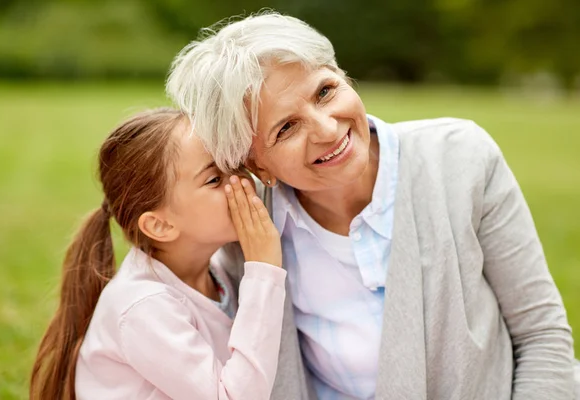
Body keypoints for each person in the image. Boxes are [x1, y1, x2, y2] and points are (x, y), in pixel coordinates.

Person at [166, 12, 579, 400]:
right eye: (287, 127)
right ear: (257, 165)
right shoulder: (248, 228)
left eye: (326, 91)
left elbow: (542, 337)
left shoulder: (461, 159)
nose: (328, 129)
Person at [30, 108, 287, 400]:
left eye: (233, 163)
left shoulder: (213, 270)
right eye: (214, 179)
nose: (241, 181)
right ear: (160, 225)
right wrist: (264, 271)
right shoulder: (143, 307)